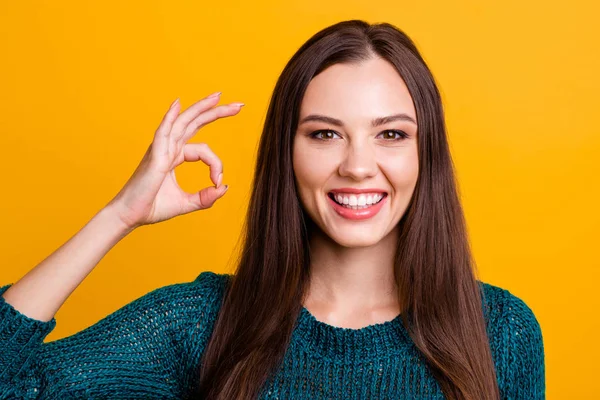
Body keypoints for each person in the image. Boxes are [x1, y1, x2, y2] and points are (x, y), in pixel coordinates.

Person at [0, 19, 545, 400]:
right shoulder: (201, 324)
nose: (358, 166)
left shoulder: (502, 332)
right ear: (286, 152)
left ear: (427, 155)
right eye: (326, 134)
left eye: (392, 134)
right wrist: (117, 216)